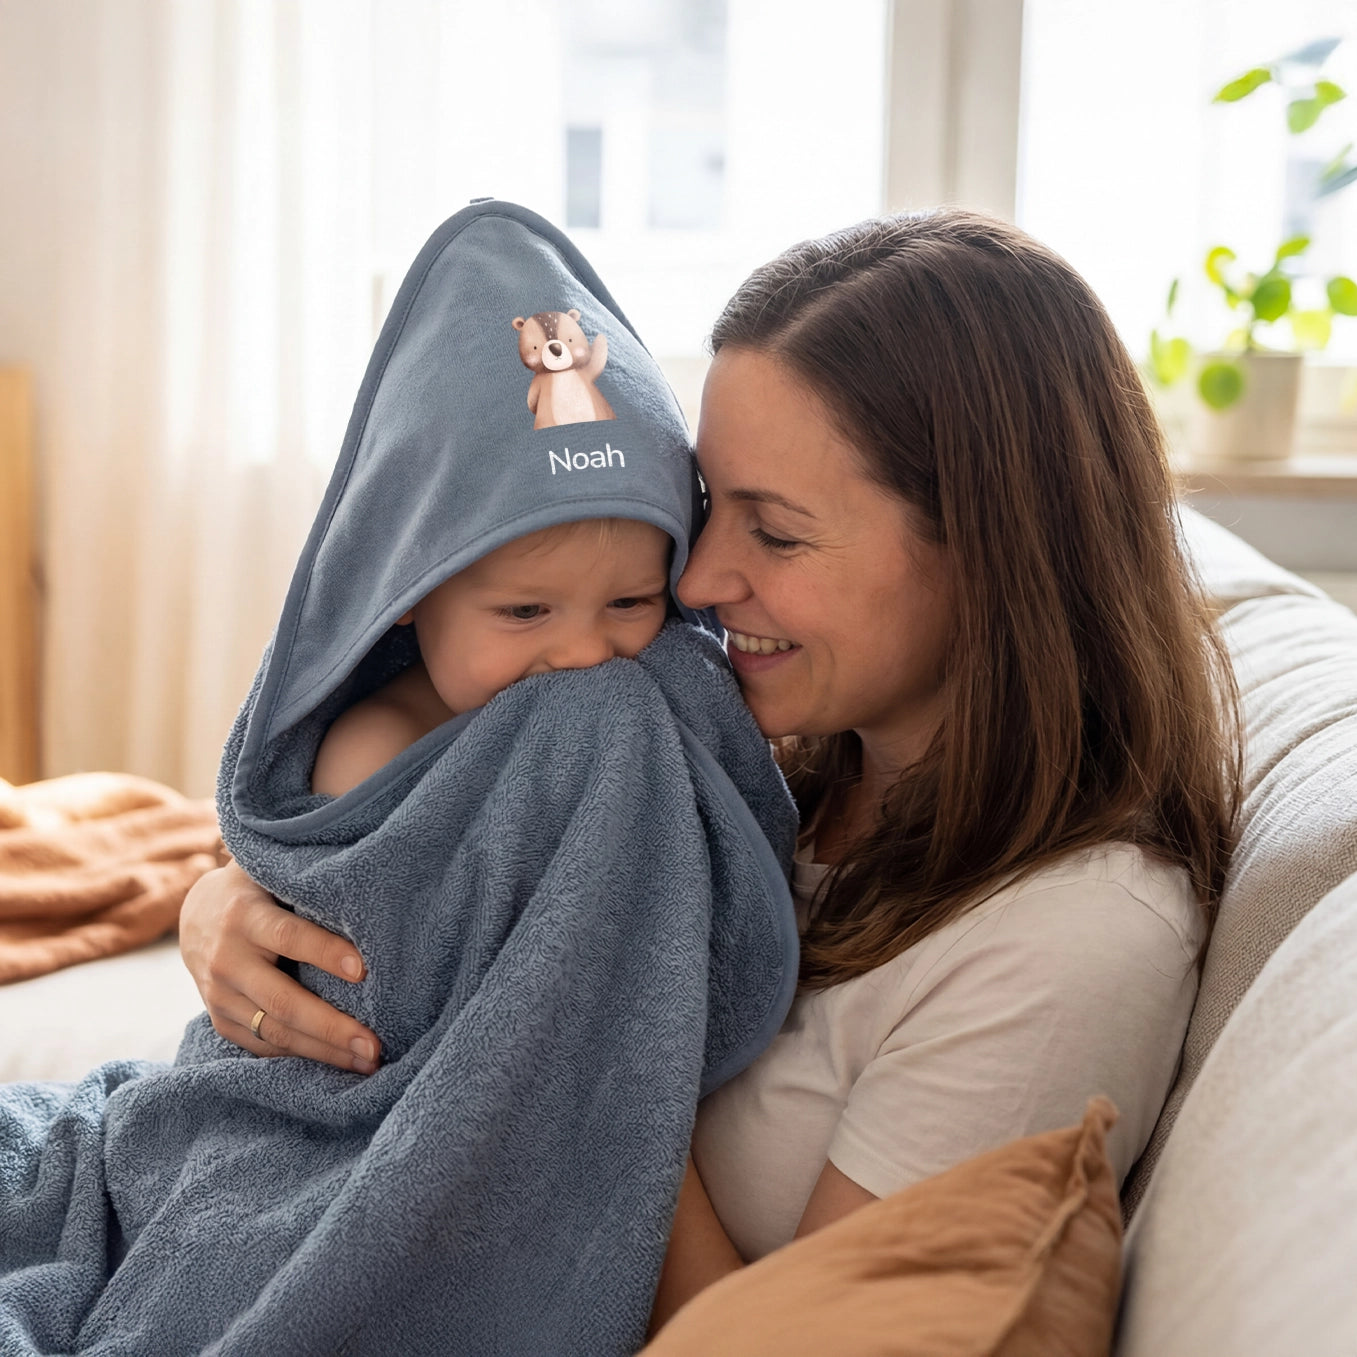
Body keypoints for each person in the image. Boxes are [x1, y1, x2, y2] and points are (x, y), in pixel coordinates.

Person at [179, 208, 1240, 1328]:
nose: (694, 584)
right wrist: (230, 901)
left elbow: (762, 1334)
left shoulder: (1064, 946)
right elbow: (419, 834)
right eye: (702, 511)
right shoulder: (774, 737)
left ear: (988, 548)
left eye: (774, 533)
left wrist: (577, 1012)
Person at [308, 517, 672, 800]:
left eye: (627, 603)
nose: (588, 653)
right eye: (526, 611)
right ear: (408, 591)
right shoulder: (376, 753)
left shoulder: (667, 711)